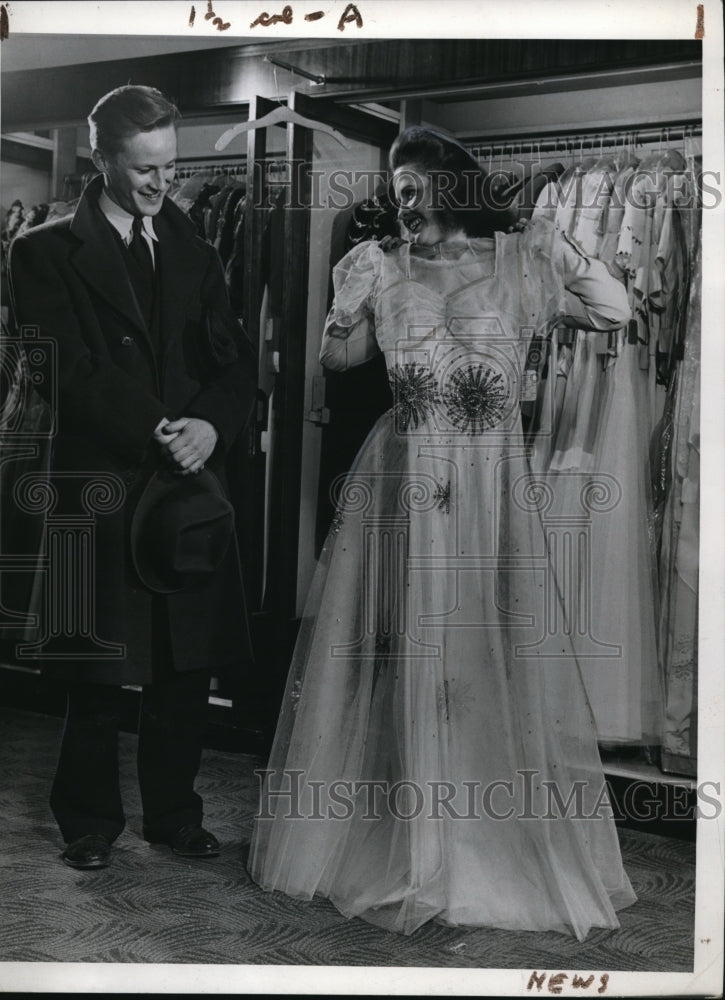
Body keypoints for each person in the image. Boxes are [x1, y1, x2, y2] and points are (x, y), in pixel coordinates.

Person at [248, 127, 637, 939]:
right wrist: (339, 317)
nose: (401, 200)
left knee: (482, 651)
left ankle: (477, 832)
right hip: (403, 477)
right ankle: (411, 838)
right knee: (404, 653)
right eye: (396, 188)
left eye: (414, 186)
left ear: (451, 185)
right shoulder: (376, 263)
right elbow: (344, 360)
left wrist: (559, 247)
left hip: (492, 482)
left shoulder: (525, 259)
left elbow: (613, 311)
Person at [8, 85, 255, 870]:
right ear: (100, 159)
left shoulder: (197, 249)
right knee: (96, 674)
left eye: (170, 168)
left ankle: (173, 816)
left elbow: (233, 366)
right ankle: (88, 823)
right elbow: (63, 371)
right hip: (100, 487)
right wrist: (160, 428)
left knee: (183, 668)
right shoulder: (40, 251)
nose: (161, 185)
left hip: (185, 487)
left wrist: (212, 425)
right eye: (145, 170)